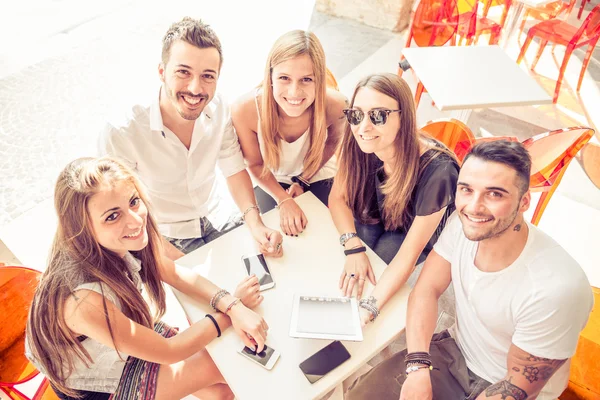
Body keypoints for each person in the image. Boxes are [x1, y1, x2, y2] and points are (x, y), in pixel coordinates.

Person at [346, 141, 594, 400]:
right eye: (466, 190)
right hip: (454, 354)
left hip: (506, 384)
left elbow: (517, 388)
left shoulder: (557, 289)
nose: (474, 207)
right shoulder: (461, 226)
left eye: (495, 194)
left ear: (523, 202)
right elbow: (426, 290)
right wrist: (417, 366)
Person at [26, 157, 270, 400]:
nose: (135, 220)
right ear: (83, 227)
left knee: (223, 388)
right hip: (94, 385)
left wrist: (230, 303)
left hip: (117, 336)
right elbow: (168, 352)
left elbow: (173, 272)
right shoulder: (83, 302)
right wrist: (233, 310)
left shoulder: (124, 236)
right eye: (112, 216)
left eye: (133, 201)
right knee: (222, 365)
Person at [98, 17, 282, 260]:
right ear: (162, 72)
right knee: (210, 293)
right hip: (164, 236)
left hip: (220, 217)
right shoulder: (122, 131)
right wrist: (174, 264)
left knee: (268, 274)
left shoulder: (220, 109)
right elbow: (121, 214)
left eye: (207, 76)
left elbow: (234, 170)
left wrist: (256, 224)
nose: (195, 89)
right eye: (183, 72)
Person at [328, 73, 459, 315]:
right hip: (383, 220)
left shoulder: (440, 171)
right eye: (356, 115)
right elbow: (337, 198)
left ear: (404, 117)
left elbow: (409, 254)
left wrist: (369, 309)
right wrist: (352, 244)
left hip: (421, 243)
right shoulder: (359, 141)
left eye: (378, 116)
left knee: (379, 275)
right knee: (345, 259)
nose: (363, 127)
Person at [231, 30, 347, 237]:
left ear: (319, 80)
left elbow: (332, 144)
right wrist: (283, 199)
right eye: (284, 78)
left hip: (317, 172)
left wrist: (303, 179)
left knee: (327, 233)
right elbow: (255, 164)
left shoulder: (337, 105)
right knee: (276, 236)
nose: (294, 92)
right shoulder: (245, 109)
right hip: (270, 176)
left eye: (306, 80)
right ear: (270, 77)